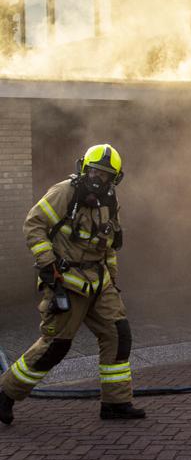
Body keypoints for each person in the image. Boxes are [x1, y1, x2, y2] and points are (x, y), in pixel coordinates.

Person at [0, 144, 146, 425]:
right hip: (65, 281)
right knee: (55, 346)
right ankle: (5, 393)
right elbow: (34, 224)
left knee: (119, 336)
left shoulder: (110, 201)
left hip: (100, 283)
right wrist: (46, 262)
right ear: (83, 167)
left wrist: (112, 280)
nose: (97, 178)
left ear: (114, 179)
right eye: (93, 171)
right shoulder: (64, 192)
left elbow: (109, 245)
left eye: (105, 175)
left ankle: (116, 403)